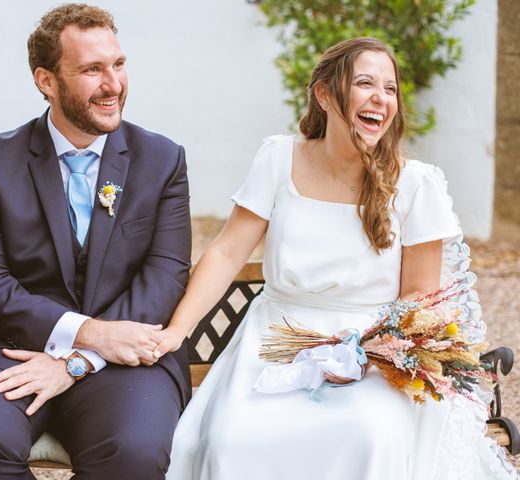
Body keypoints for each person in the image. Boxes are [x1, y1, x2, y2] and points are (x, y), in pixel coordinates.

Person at [154, 37, 518, 479]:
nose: (380, 99)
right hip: (274, 342)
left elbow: (420, 297)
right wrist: (176, 331)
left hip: (375, 352)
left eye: (390, 88)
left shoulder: (416, 185)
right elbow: (227, 251)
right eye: (365, 83)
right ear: (325, 95)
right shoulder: (277, 159)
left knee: (369, 435)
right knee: (231, 439)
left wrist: (367, 351)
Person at [0, 4, 192, 479]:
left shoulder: (163, 160)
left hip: (124, 356)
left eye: (118, 64)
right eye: (92, 70)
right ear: (46, 81)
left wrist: (76, 359)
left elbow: (165, 275)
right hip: (2, 346)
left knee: (134, 454)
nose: (113, 84)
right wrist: (87, 333)